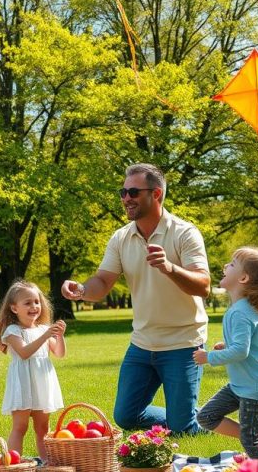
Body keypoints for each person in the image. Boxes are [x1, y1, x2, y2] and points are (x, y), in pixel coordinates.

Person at [62, 163, 210, 434]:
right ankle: (188, 415)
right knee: (127, 416)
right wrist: (82, 290)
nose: (125, 198)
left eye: (133, 192)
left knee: (182, 428)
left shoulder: (184, 233)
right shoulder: (121, 237)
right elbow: (103, 282)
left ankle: (198, 419)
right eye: (122, 192)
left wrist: (170, 268)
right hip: (142, 343)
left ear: (156, 194)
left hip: (183, 342)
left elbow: (203, 285)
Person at [194, 247, 258, 472]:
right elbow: (246, 345)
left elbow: (241, 352)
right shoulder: (242, 310)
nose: (225, 266)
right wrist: (227, 345)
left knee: (249, 442)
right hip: (242, 384)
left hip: (254, 388)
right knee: (206, 417)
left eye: (232, 264)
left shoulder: (241, 312)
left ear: (243, 278)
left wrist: (209, 357)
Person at [0, 280, 66, 459]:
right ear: (14, 308)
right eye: (28, 303)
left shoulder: (43, 329)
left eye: (37, 301)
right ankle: (13, 464)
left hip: (42, 382)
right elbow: (24, 353)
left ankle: (47, 464)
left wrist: (60, 337)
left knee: (43, 428)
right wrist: (46, 335)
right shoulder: (12, 330)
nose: (34, 306)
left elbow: (59, 353)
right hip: (23, 383)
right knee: (20, 426)